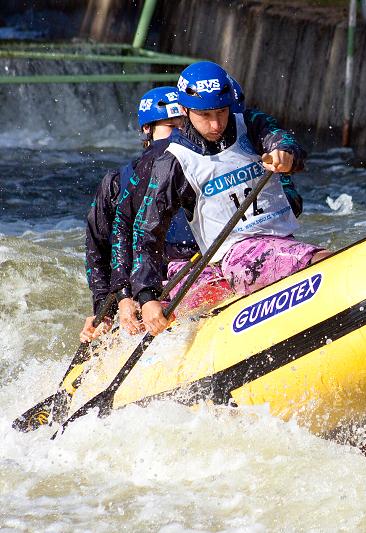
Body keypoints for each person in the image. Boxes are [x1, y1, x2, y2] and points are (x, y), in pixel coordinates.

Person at [131, 61, 327, 336]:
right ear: (185, 111)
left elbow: (282, 140)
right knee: (322, 260)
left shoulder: (250, 123)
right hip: (236, 253)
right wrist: (146, 296)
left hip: (280, 240)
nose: (215, 124)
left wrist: (285, 153)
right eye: (205, 115)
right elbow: (147, 231)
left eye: (221, 112)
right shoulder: (172, 161)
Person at [81, 86, 186, 342]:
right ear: (147, 130)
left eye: (184, 127)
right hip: (141, 283)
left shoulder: (198, 167)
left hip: (186, 270)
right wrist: (107, 305)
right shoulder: (116, 183)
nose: (178, 136)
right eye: (170, 127)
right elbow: (99, 251)